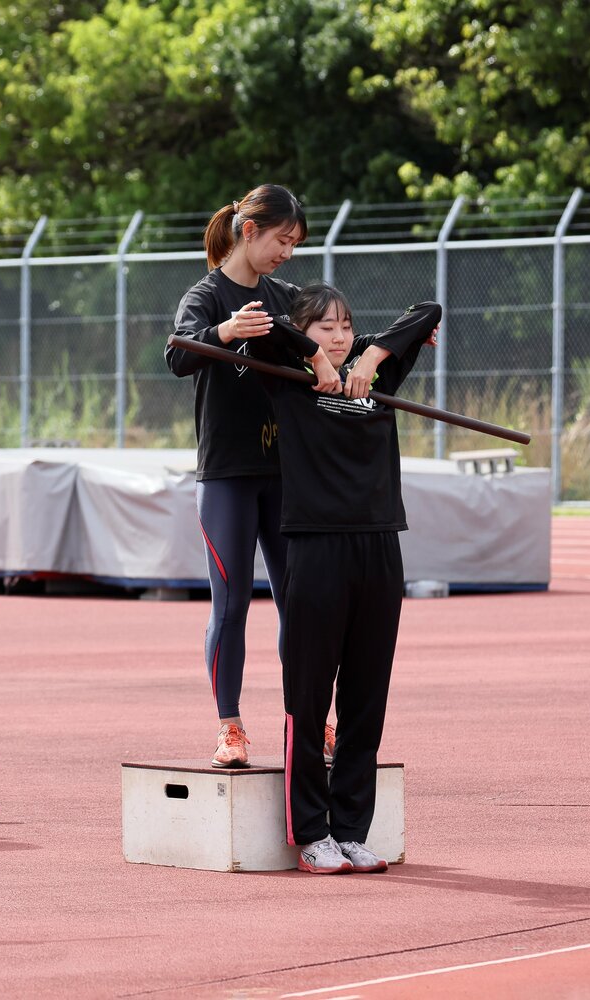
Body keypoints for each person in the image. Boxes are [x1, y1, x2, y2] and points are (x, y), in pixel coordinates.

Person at [244, 284, 442, 874]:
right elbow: (268, 325)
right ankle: (311, 831)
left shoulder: (374, 373)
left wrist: (371, 358)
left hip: (379, 543)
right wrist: (316, 359)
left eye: (345, 326)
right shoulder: (287, 374)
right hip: (315, 546)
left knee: (366, 697)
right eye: (325, 327)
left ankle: (352, 830)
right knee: (308, 697)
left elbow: (426, 311)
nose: (338, 336)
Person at [166, 183, 342, 769]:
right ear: (249, 231)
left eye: (295, 245)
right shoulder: (207, 295)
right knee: (232, 602)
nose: (287, 253)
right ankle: (230, 726)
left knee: (300, 601)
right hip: (227, 476)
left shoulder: (286, 297)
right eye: (281, 241)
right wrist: (224, 332)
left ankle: (310, 721)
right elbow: (177, 355)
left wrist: (377, 350)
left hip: (286, 473)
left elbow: (334, 336)